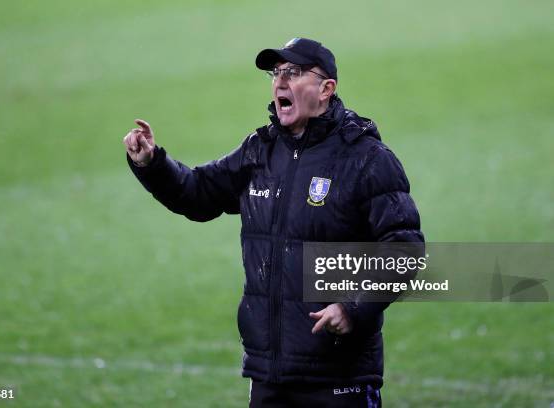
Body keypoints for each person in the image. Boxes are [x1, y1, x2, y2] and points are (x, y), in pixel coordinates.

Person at [123, 38, 423, 407]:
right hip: (270, 376)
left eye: (293, 73)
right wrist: (151, 163)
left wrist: (352, 306)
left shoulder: (366, 159)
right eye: (276, 73)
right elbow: (198, 194)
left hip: (339, 379)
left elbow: (405, 250)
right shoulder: (259, 152)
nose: (280, 81)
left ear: (326, 89)